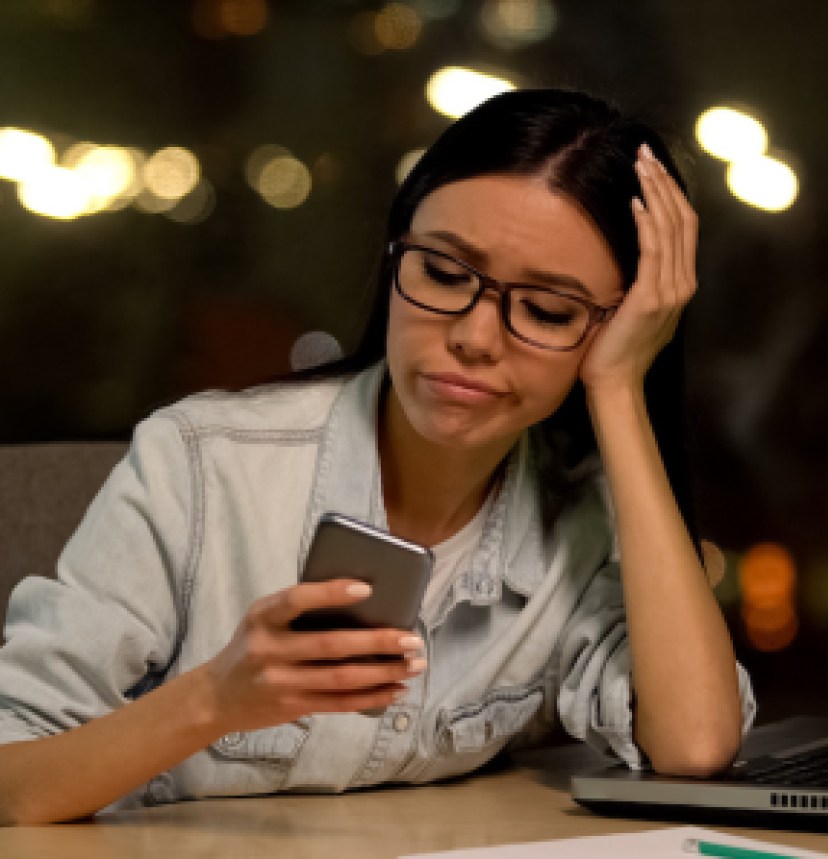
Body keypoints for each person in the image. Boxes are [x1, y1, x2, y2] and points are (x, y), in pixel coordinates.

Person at [0, 88, 755, 825]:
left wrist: (619, 389)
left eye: (547, 310)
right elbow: (10, 780)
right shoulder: (201, 463)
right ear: (396, 256)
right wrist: (215, 698)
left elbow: (694, 745)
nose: (474, 338)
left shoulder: (579, 521)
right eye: (443, 273)